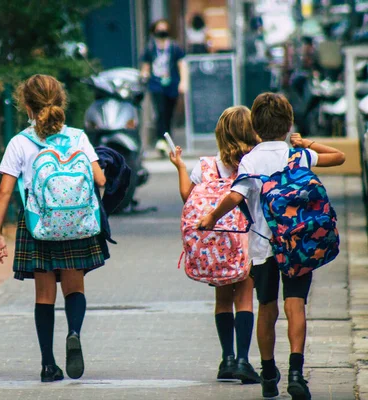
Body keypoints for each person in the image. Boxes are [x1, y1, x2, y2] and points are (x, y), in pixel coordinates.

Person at [198, 93, 345, 399]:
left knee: (267, 306)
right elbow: (339, 157)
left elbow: (236, 197)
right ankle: (295, 371)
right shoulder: (297, 154)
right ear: (288, 122)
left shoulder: (251, 159)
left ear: (255, 126)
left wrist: (211, 215)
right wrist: (307, 144)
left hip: (263, 247)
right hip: (296, 242)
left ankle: (268, 374)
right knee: (295, 304)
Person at [0, 74, 108, 383]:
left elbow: (4, 191)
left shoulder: (20, 142)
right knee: (74, 287)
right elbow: (100, 180)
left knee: (44, 295)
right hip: (76, 224)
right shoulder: (79, 137)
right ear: (60, 102)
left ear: (26, 106)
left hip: (38, 225)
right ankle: (73, 332)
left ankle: (47, 365)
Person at [169, 106, 261, 384]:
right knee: (244, 298)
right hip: (244, 239)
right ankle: (244, 360)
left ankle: (227, 360)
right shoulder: (252, 164)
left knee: (222, 299)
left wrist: (180, 167)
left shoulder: (206, 165)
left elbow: (188, 195)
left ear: (220, 135)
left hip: (215, 243)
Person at [140, 19, 186, 155]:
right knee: (160, 110)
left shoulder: (174, 47)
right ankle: (161, 140)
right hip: (156, 83)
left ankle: (167, 140)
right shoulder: (150, 48)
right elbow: (146, 66)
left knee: (169, 113)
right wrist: (144, 75)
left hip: (171, 83)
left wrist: (183, 82)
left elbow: (181, 64)